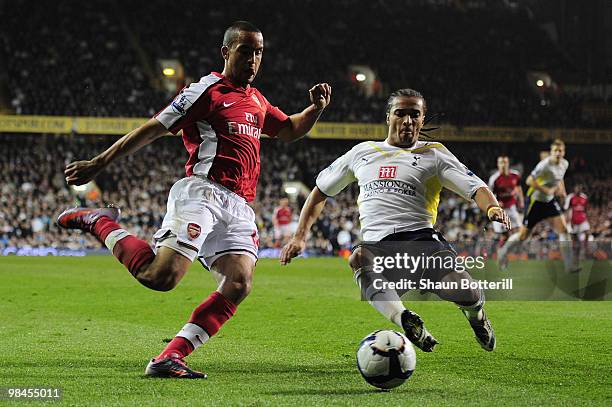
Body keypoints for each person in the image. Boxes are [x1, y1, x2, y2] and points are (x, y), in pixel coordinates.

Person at [57, 21, 331, 378]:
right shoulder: (208, 90)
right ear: (226, 52)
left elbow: (290, 130)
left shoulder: (257, 100)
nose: (252, 59)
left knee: (240, 283)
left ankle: (170, 357)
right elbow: (154, 127)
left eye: (258, 52)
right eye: (245, 50)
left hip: (240, 206)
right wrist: (99, 162)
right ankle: (100, 221)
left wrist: (315, 110)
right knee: (161, 277)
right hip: (203, 192)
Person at [280, 88, 511, 352]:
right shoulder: (362, 152)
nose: (408, 121)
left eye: (415, 115)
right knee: (358, 258)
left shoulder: (433, 154)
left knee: (466, 293)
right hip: (379, 247)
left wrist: (492, 207)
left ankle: (477, 317)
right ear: (388, 117)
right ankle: (405, 319)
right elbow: (320, 190)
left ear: (422, 120)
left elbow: (475, 187)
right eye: (401, 113)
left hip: (423, 243)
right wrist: (299, 237)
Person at [497, 139, 579, 272]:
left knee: (564, 230)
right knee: (523, 236)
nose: (558, 153)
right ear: (551, 152)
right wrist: (546, 190)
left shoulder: (565, 163)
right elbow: (529, 180)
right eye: (555, 151)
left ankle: (569, 266)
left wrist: (562, 190)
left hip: (549, 201)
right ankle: (503, 252)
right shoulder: (544, 165)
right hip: (535, 201)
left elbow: (559, 177)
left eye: (560, 150)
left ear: (564, 152)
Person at [488, 155, 523, 236]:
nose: (503, 165)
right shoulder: (494, 179)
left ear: (508, 163)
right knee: (503, 235)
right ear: (498, 164)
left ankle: (516, 248)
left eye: (505, 162)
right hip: (500, 209)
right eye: (501, 162)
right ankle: (501, 248)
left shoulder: (515, 175)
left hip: (512, 207)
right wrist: (496, 203)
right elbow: (490, 194)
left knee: (519, 230)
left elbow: (518, 188)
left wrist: (521, 201)